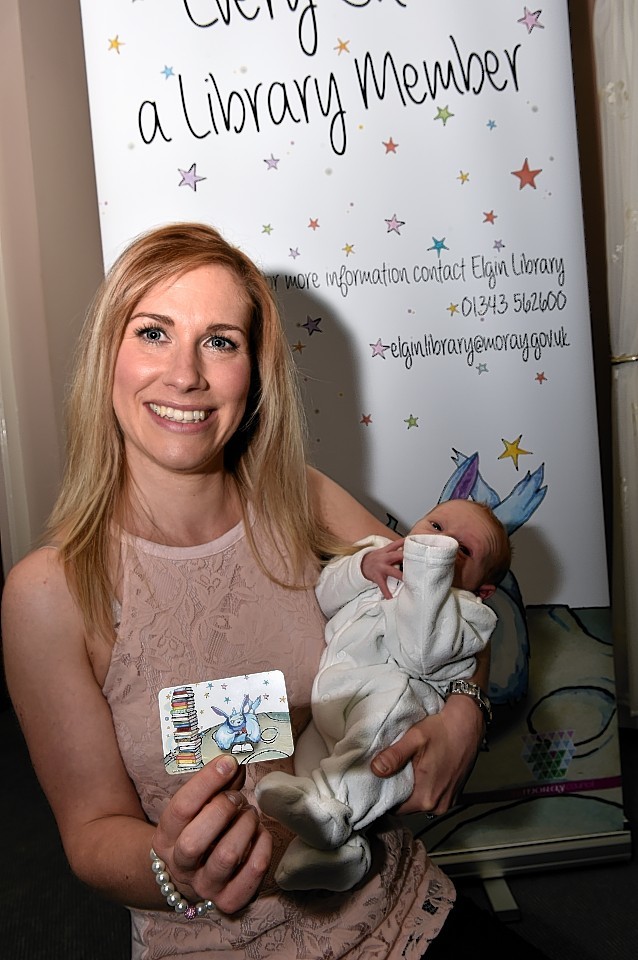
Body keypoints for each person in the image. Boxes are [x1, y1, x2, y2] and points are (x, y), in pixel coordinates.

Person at [1, 222, 552, 960]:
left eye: (220, 341)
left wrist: (464, 713)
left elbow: (447, 610)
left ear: (254, 373)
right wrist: (175, 869)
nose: (186, 374)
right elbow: (92, 832)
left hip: (392, 908)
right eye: (154, 332)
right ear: (109, 354)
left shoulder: (303, 499)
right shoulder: (50, 593)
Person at [256, 499, 510, 892]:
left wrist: (429, 573)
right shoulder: (380, 551)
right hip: (334, 695)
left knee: (359, 754)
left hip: (393, 705)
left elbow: (420, 651)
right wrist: (360, 568)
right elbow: (322, 595)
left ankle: (329, 813)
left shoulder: (468, 613)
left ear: (484, 589)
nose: (440, 543)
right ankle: (338, 854)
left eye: (462, 550)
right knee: (311, 762)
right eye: (436, 526)